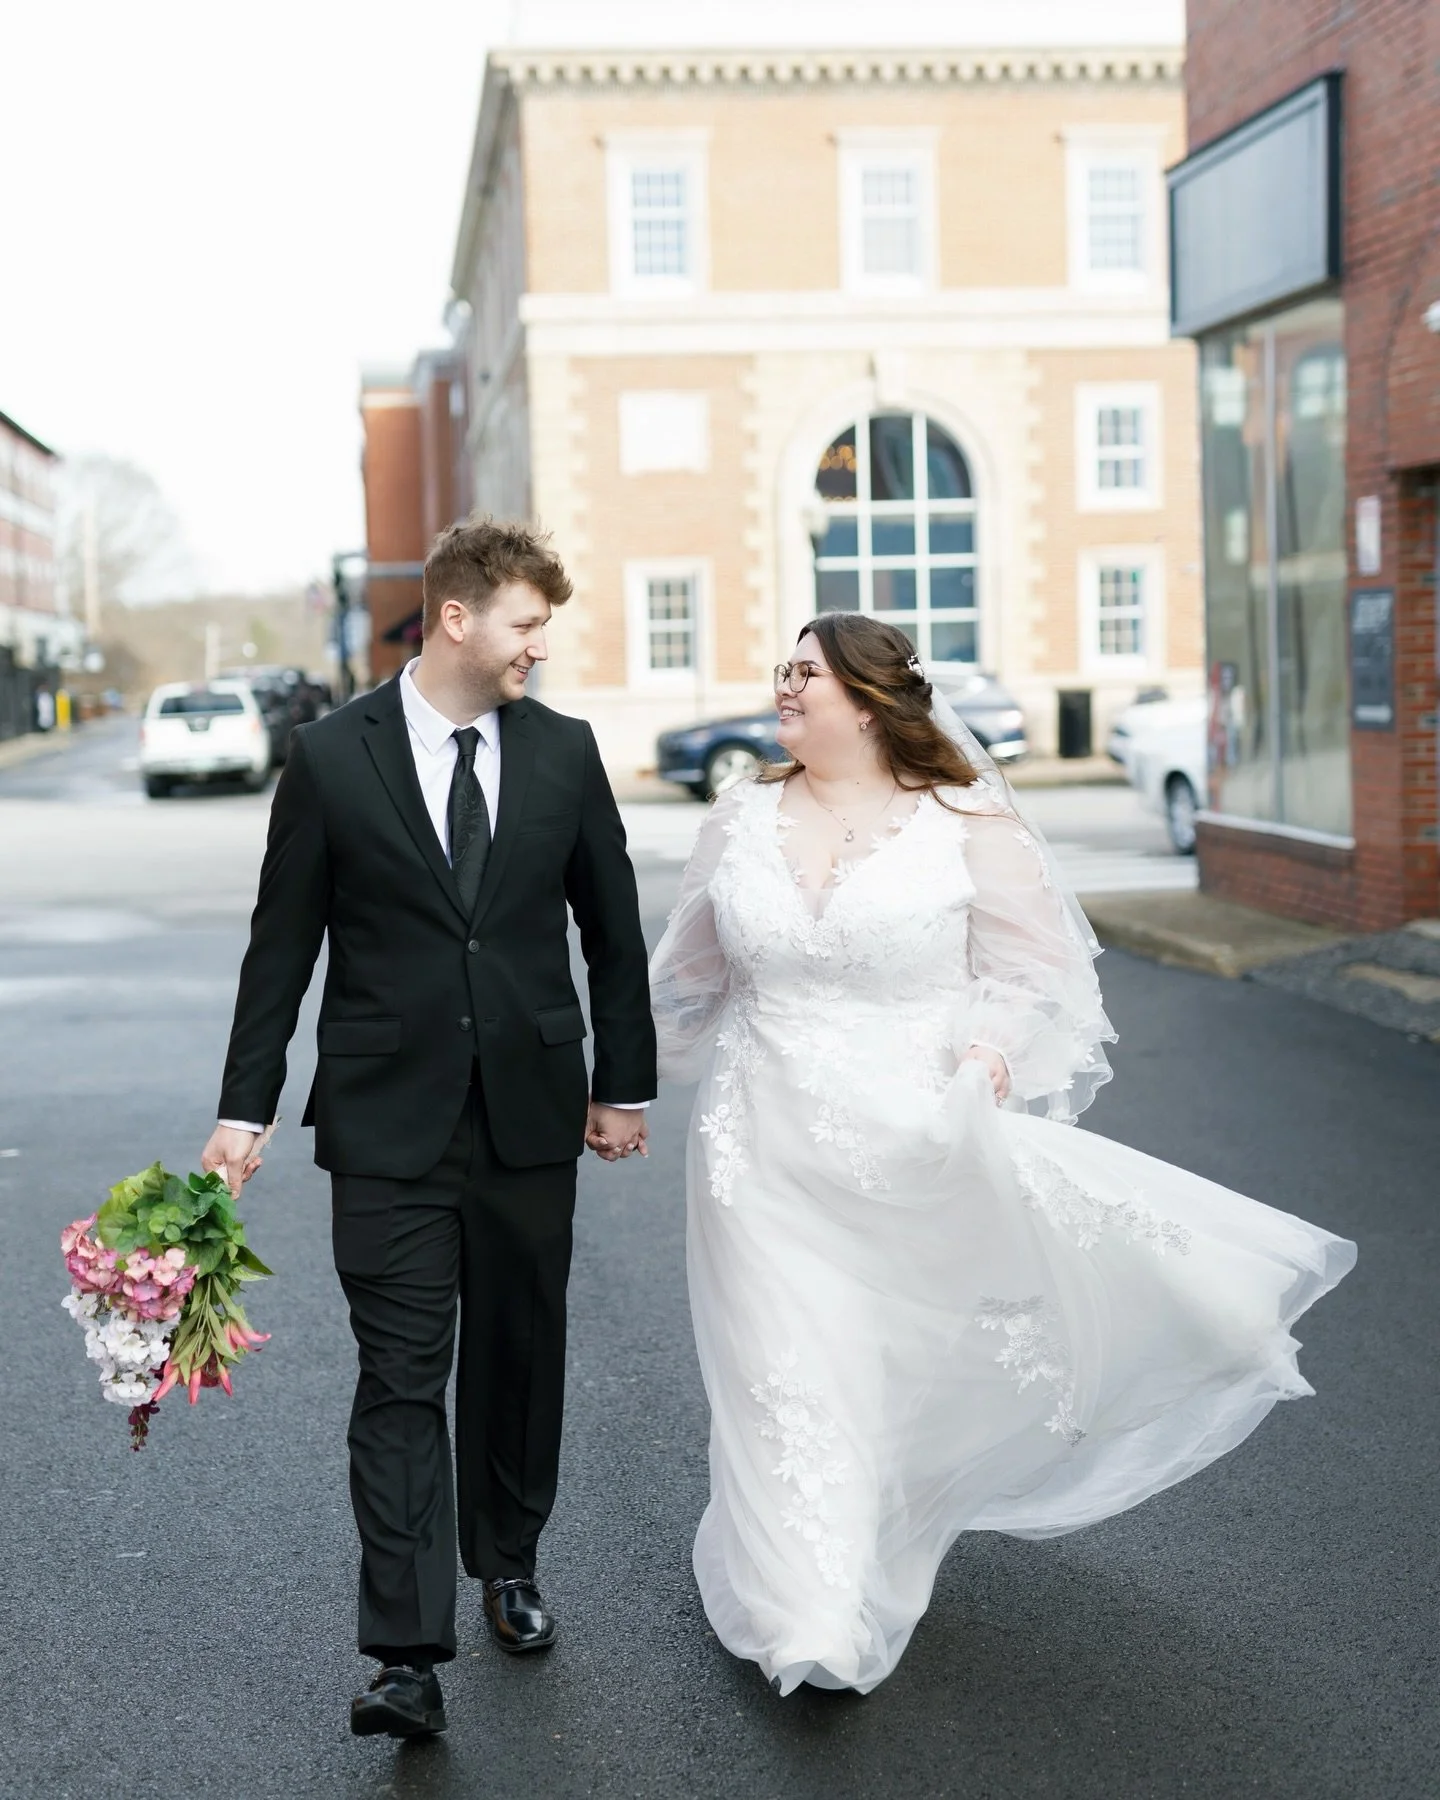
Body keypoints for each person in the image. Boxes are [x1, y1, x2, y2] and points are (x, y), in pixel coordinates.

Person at [650, 611, 1355, 1697]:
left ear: (870, 702)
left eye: (806, 673)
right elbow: (686, 972)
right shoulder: (741, 814)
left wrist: (987, 1058)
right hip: (758, 1138)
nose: (784, 687)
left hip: (912, 1129)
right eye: (782, 670)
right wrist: (616, 1081)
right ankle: (808, 1609)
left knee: (879, 1354)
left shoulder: (965, 822)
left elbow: (1034, 975)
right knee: (782, 1364)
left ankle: (880, 1512)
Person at [202, 518, 656, 1738]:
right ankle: (405, 1654)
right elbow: (281, 946)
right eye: (526, 624)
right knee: (399, 1377)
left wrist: (623, 1083)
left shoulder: (564, 751)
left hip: (528, 1110)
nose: (538, 647)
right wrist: (245, 1108)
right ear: (457, 617)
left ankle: (508, 1564)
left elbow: (613, 931)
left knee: (517, 1354)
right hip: (384, 1119)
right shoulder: (329, 755)